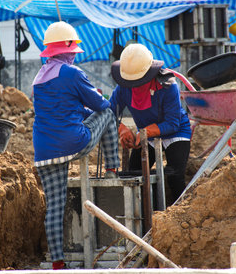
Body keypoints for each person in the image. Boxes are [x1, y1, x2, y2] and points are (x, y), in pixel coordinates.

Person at [32, 21, 120, 270]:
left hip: (44, 151)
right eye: (72, 52)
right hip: (74, 142)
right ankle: (113, 168)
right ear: (67, 51)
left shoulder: (39, 78)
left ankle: (58, 262)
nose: (74, 56)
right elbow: (100, 105)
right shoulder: (73, 73)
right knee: (109, 115)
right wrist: (99, 97)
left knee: (55, 207)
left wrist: (80, 110)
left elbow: (63, 108)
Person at [109, 43, 191, 206]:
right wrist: (121, 128)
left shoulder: (168, 86)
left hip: (175, 132)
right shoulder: (123, 88)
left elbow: (172, 123)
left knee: (174, 175)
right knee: (134, 173)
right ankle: (149, 213)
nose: (134, 85)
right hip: (146, 135)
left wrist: (144, 132)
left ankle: (179, 214)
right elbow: (108, 113)